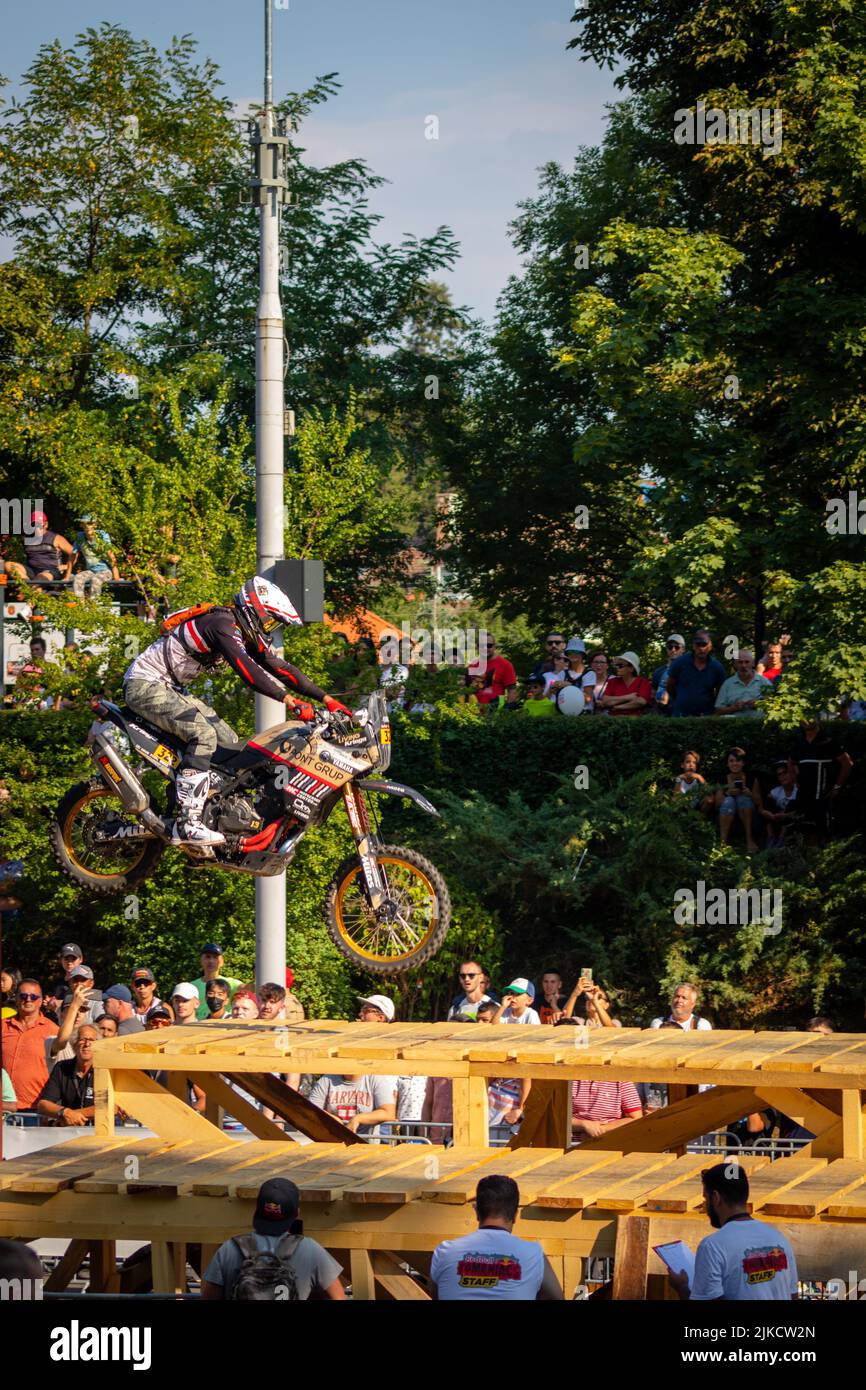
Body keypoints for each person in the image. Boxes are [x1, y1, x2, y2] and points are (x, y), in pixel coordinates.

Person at [123, 575, 352, 846]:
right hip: (144, 684)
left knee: (229, 746)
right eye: (269, 620)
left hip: (170, 689)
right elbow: (248, 670)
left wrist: (326, 698)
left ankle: (208, 809)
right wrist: (289, 701)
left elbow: (278, 666)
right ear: (252, 609)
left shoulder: (237, 629)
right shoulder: (221, 624)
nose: (269, 628)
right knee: (203, 735)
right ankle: (188, 822)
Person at [668, 1163, 798, 1301]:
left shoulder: (712, 1246)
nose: (705, 1205)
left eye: (705, 1198)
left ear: (716, 1198)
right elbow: (793, 1295)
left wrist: (682, 1287)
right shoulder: (779, 1239)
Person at [201, 1179, 344, 1300]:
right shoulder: (310, 1250)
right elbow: (339, 1297)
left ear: (257, 1211)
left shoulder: (229, 1249)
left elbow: (208, 1296)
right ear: (297, 1213)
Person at [430, 1176, 563, 1300]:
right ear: (515, 1215)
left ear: (476, 1211)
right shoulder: (533, 1254)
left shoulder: (445, 1252)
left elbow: (437, 1295)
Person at [787, 718, 853, 841]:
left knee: (824, 831)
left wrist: (837, 787)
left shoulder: (828, 740)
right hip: (804, 795)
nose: (808, 721)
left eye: (811, 717)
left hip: (823, 795)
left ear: (817, 719)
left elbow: (847, 763)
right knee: (805, 827)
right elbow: (790, 762)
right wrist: (796, 782)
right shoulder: (800, 742)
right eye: (804, 717)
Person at [1, 979, 57, 1109]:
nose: (28, 1000)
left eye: (33, 996)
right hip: (3, 1107)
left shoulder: (53, 1030)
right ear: (16, 998)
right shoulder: (3, 1026)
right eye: (23, 996)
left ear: (40, 1000)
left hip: (35, 1109)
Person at [36, 1023, 97, 1125]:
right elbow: (43, 1104)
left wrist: (71, 1115)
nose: (87, 1044)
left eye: (91, 1040)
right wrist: (63, 1112)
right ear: (74, 1044)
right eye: (82, 1040)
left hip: (99, 1133)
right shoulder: (62, 1067)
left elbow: (110, 1107)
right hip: (69, 1133)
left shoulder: (105, 1069)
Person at [309, 1071, 398, 1140]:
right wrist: (331, 1120)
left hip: (366, 1143)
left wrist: (358, 1119)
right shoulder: (326, 1080)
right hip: (333, 1140)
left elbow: (389, 1113)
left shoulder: (375, 1078)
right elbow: (309, 1110)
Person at [666, 630, 727, 717]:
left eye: (704, 644)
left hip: (706, 716)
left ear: (710, 646)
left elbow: (720, 693)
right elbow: (670, 686)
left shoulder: (717, 667)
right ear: (693, 645)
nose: (701, 648)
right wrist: (681, 698)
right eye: (698, 644)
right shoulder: (679, 663)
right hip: (681, 716)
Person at [713, 747, 763, 852]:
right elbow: (717, 804)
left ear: (743, 763)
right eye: (731, 761)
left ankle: (749, 840)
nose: (735, 763)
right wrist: (727, 793)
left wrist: (750, 794)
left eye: (738, 760)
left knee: (743, 799)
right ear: (727, 763)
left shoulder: (751, 778)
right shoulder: (722, 779)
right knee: (729, 801)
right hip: (726, 816)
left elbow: (759, 802)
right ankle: (722, 843)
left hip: (749, 817)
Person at [3, 510, 74, 585]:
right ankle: (28, 587)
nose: (37, 528)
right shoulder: (27, 539)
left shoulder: (56, 538)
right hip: (31, 571)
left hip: (51, 571)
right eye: (34, 525)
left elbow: (74, 552)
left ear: (46, 524)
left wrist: (66, 566)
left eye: (40, 525)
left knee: (41, 578)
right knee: (7, 565)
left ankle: (32, 589)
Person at [571, 1077, 642, 1141]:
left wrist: (599, 1130)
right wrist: (583, 1124)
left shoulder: (621, 1080)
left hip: (610, 1140)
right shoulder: (569, 1078)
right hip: (570, 1142)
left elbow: (635, 1118)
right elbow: (560, 1118)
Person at [70, 514, 121, 598]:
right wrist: (67, 575)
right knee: (78, 578)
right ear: (81, 525)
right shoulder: (80, 536)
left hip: (105, 571)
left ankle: (94, 607)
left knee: (96, 580)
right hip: (91, 571)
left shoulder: (102, 536)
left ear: (95, 525)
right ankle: (80, 607)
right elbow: (72, 556)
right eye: (85, 523)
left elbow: (110, 555)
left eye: (89, 523)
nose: (87, 526)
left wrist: (116, 575)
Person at [714, 650, 773, 717]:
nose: (743, 665)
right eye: (740, 662)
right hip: (734, 725)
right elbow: (718, 710)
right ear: (735, 665)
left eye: (747, 662)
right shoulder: (728, 684)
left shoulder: (764, 682)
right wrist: (733, 708)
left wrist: (759, 704)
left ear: (753, 663)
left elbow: (775, 706)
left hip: (759, 725)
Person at [192, 945, 243, 1019]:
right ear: (201, 960)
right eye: (207, 957)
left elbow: (251, 988)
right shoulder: (192, 986)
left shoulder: (231, 983)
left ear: (222, 962)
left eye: (215, 957)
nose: (211, 961)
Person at [595, 652, 653, 716]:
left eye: (620, 666)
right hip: (613, 721)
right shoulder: (612, 681)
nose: (617, 668)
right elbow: (605, 700)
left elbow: (641, 701)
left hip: (636, 722)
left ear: (631, 669)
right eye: (617, 665)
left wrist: (617, 707)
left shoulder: (643, 682)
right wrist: (629, 697)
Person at [467, 636, 518, 707]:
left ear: (494, 647)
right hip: (474, 711)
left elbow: (512, 690)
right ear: (477, 647)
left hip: (496, 710)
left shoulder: (505, 665)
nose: (485, 648)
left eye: (489, 645)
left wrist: (507, 709)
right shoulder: (472, 665)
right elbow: (467, 689)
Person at [759, 759, 800, 847]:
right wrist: (766, 812)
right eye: (779, 774)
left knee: (792, 803)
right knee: (768, 801)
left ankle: (782, 839)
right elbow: (763, 807)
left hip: (792, 823)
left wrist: (786, 815)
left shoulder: (798, 790)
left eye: (785, 773)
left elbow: (802, 811)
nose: (782, 776)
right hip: (777, 820)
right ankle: (771, 837)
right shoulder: (775, 791)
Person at [652, 635, 686, 713]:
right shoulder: (659, 671)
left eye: (677, 647)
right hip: (661, 714)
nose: (673, 650)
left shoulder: (689, 670)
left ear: (683, 649)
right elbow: (653, 694)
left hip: (682, 714)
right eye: (670, 647)